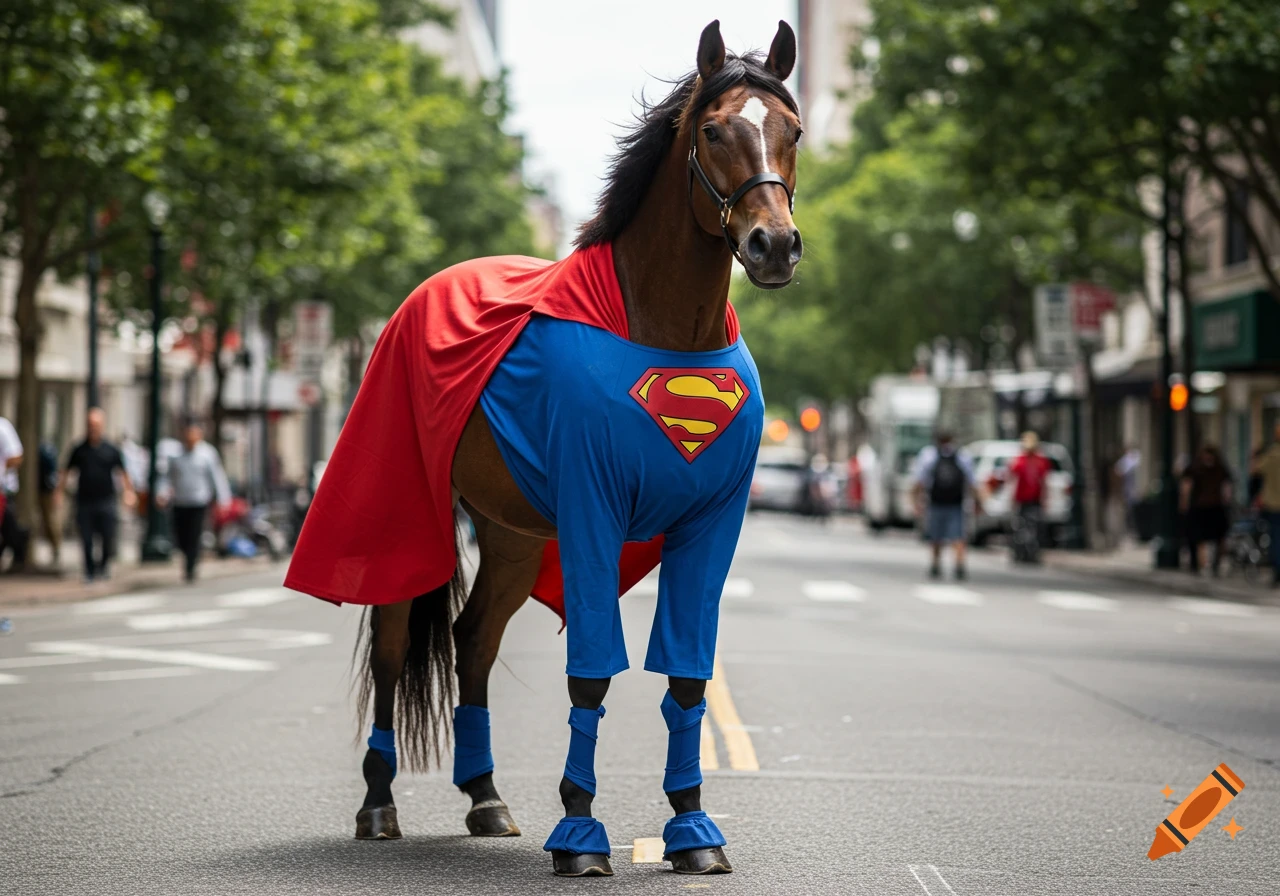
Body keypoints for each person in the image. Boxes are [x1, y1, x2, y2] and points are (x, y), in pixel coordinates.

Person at [57, 408, 135, 582]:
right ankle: (89, 571)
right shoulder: (79, 449)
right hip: (84, 500)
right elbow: (66, 471)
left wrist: (129, 492)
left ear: (102, 426)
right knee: (86, 538)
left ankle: (103, 565)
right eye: (90, 425)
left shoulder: (111, 449)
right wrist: (59, 493)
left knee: (107, 536)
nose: (93, 428)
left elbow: (123, 472)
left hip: (106, 500)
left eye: (96, 425)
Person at [166, 420, 231, 582]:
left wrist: (223, 499)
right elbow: (167, 476)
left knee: (194, 535)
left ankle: (190, 566)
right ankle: (186, 556)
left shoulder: (207, 454)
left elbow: (217, 477)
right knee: (181, 536)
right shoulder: (175, 454)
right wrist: (162, 493)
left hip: (199, 501)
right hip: (180, 501)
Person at [913, 430, 977, 580]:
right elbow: (972, 481)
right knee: (958, 536)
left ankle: (936, 564)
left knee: (936, 536)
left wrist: (915, 501)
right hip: (956, 503)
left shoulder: (929, 455)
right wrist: (978, 501)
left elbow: (919, 481)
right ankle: (959, 564)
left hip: (936, 503)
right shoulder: (962, 456)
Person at [1180, 443, 1233, 576]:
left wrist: (1184, 503)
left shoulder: (1211, 468)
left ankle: (1206, 565)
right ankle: (1201, 565)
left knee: (1211, 538)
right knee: (1202, 538)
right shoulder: (1201, 468)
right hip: (1205, 507)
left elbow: (1227, 488)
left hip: (1210, 507)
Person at [1008, 431, 1053, 561]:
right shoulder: (1020, 460)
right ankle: (1020, 551)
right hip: (1022, 499)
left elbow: (1044, 482)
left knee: (1035, 527)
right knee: (1021, 526)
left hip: (1035, 499)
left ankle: (1033, 552)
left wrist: (1045, 499)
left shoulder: (1040, 461)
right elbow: (1013, 479)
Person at [1252, 423, 1280, 587]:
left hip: (1273, 504)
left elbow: (1255, 470)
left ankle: (1277, 568)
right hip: (1273, 503)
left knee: (1275, 537)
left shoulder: (1270, 456)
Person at [0, 414, 28, 569]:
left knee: (10, 530)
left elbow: (16, 456)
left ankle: (19, 555)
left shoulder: (2, 427)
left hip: (3, 490)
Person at [37, 439, 62, 564]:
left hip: (46, 491)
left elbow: (54, 474)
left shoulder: (46, 452)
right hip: (40, 489)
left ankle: (56, 547)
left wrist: (56, 491)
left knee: (50, 520)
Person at [1114, 445, 1142, 536]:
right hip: (1127, 492)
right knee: (1128, 512)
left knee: (1132, 511)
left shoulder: (1133, 462)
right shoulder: (1125, 463)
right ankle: (1129, 529)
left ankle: (1133, 529)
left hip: (1131, 492)